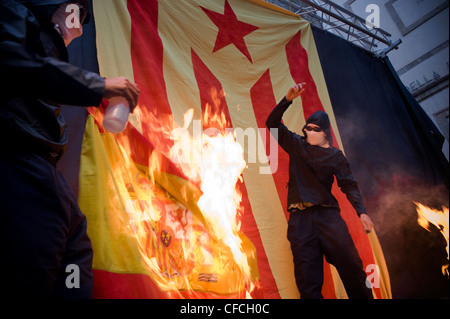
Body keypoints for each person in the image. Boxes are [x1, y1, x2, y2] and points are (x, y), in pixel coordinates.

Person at [0, 0, 139, 298]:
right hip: (17, 163)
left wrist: (84, 91)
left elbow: (39, 80)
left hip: (43, 172)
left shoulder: (44, 42)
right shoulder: (11, 11)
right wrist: (96, 85)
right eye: (77, 11)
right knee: (34, 275)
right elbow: (14, 62)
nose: (79, 24)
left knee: (73, 265)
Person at [266, 83, 374, 299]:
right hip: (300, 221)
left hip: (328, 218)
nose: (308, 130)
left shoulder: (335, 156)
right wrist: (287, 100)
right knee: (307, 282)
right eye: (307, 127)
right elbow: (272, 123)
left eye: (315, 128)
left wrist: (361, 212)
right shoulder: (296, 145)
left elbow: (349, 185)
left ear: (325, 133)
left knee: (352, 268)